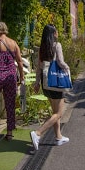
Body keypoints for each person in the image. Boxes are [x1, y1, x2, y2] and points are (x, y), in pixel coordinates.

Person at [30, 24, 70, 154]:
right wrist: (67, 69)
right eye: (56, 31)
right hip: (56, 82)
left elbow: (39, 67)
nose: (57, 33)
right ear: (53, 33)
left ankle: (58, 137)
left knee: (54, 111)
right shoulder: (56, 45)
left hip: (46, 83)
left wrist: (37, 83)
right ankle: (38, 133)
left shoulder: (42, 48)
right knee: (59, 113)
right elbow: (60, 62)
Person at [0, 22, 25, 140]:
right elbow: (20, 61)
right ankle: (9, 132)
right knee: (10, 104)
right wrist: (22, 76)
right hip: (11, 77)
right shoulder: (13, 43)